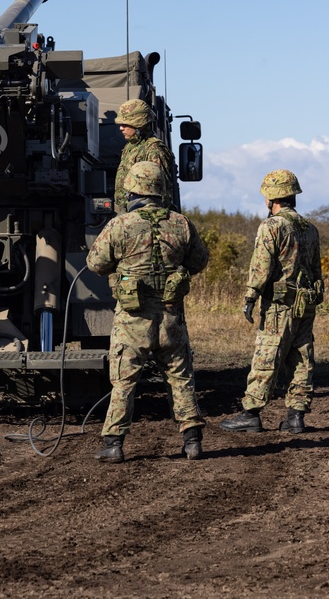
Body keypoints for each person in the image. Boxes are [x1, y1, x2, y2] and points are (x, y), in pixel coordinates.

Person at [87, 161, 209, 462]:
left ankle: (114, 444)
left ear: (133, 191)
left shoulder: (120, 225)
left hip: (132, 320)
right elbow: (199, 262)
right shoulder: (181, 223)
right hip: (171, 319)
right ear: (160, 190)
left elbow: (95, 263)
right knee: (180, 378)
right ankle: (192, 441)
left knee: (124, 381)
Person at [221, 170, 323, 434]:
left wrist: (250, 296)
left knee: (267, 356)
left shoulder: (272, 226)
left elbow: (261, 267)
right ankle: (296, 416)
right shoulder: (309, 228)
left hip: (279, 306)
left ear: (271, 198)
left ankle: (251, 414)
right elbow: (315, 270)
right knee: (301, 358)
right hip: (305, 304)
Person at [112, 99, 178, 213]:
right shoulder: (131, 147)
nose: (121, 128)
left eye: (125, 124)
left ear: (139, 124)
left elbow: (162, 191)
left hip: (144, 216)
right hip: (128, 214)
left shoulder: (154, 150)